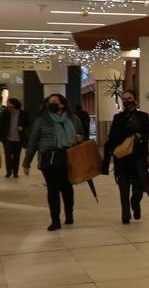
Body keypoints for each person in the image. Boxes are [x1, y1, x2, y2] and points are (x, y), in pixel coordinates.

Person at [22, 94, 86, 230]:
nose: (52, 104)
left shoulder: (73, 119)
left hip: (68, 156)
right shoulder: (41, 120)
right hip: (49, 158)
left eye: (55, 102)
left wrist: (80, 138)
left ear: (62, 104)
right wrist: (26, 162)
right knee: (52, 190)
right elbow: (33, 141)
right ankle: (55, 220)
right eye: (50, 102)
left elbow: (81, 135)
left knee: (67, 188)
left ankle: (69, 215)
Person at [103, 90, 149, 224]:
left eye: (129, 98)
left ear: (135, 100)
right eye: (124, 99)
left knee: (138, 190)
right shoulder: (118, 118)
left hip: (138, 159)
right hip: (122, 159)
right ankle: (125, 214)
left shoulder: (143, 116)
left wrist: (140, 136)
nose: (127, 101)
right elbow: (112, 137)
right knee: (123, 188)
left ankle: (135, 204)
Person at [1, 99, 28, 178]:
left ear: (14, 104)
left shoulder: (23, 113)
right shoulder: (5, 113)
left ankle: (15, 172)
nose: (8, 106)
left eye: (9, 104)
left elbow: (28, 123)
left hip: (18, 138)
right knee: (8, 156)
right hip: (7, 139)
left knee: (16, 156)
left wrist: (22, 127)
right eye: (7, 104)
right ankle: (8, 171)